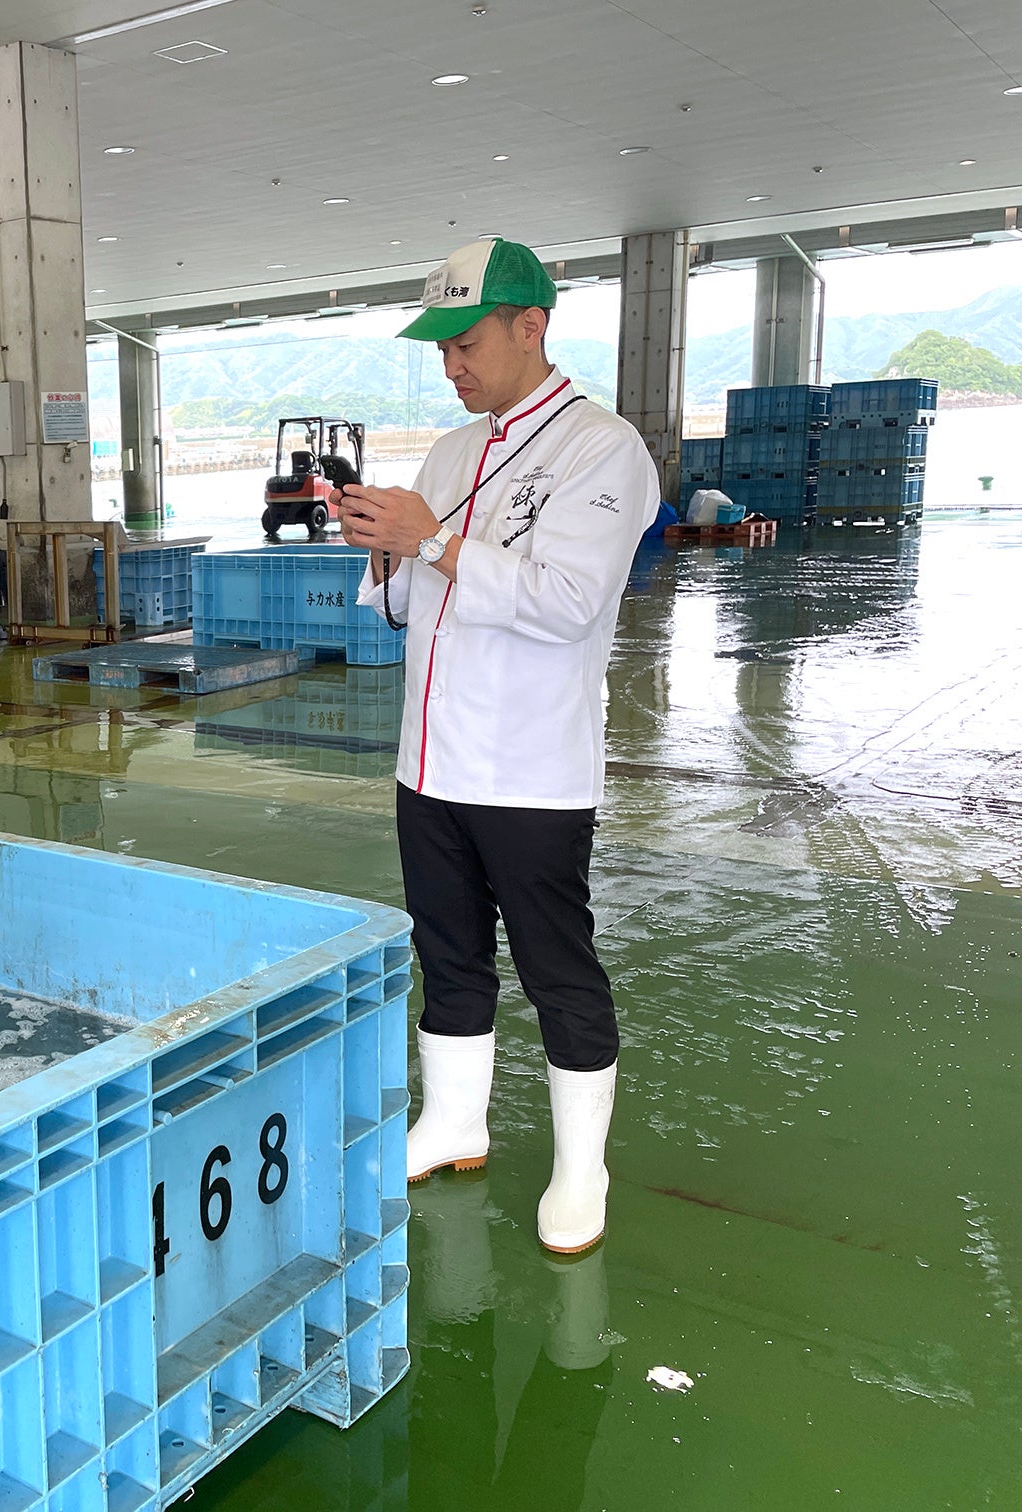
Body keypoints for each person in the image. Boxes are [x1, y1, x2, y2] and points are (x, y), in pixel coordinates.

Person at [334, 237, 659, 1254]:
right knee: (450, 954)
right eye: (440, 351)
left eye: (465, 344)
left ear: (531, 328)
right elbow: (404, 606)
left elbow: (567, 605)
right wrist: (384, 548)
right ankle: (453, 1121)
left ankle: (579, 1169)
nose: (452, 367)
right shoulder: (447, 452)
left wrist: (430, 538)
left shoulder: (602, 450)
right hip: (428, 764)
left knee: (558, 970)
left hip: (529, 772)